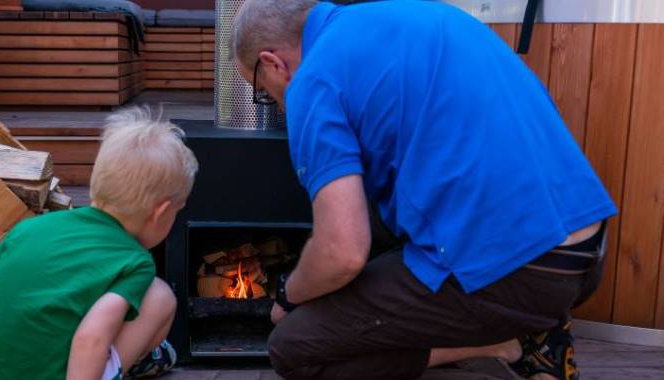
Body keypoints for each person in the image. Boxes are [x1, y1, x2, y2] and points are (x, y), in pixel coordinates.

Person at [230, 1, 616, 379]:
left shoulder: (312, 81)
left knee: (293, 348)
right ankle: (521, 322)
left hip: (521, 272)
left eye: (263, 91)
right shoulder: (424, 14)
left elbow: (342, 254)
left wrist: (289, 294)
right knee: (372, 208)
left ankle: (509, 343)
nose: (278, 108)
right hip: (586, 251)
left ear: (273, 63)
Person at [0, 108, 199, 380]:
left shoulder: (27, 229)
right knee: (160, 296)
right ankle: (137, 360)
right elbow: (89, 338)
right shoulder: (135, 262)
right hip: (65, 368)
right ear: (160, 213)